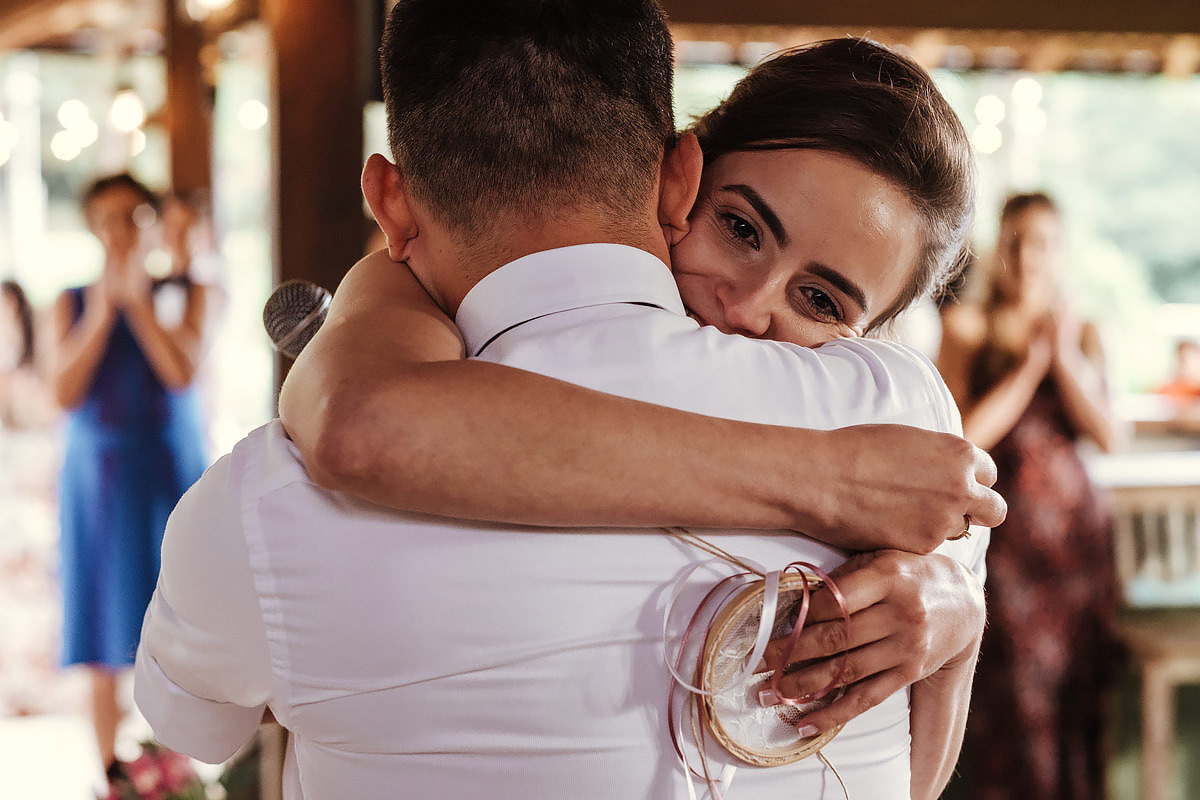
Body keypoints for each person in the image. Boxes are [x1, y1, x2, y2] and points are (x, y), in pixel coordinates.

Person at [136, 6, 993, 799]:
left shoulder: (269, 499)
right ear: (683, 177)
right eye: (740, 228)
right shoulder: (903, 428)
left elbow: (193, 723)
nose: (746, 310)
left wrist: (957, 624)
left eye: (823, 303)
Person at [937, 191, 1121, 800]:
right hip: (1004, 545)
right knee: (1016, 696)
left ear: (1060, 252)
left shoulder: (1084, 328)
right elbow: (961, 438)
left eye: (1042, 242)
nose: (1029, 255)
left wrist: (1063, 356)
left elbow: (1109, 435)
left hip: (1077, 544)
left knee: (1077, 698)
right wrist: (1030, 367)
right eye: (1016, 240)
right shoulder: (968, 327)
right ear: (1001, 247)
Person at [50, 173, 211, 790]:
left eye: (132, 217)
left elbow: (181, 372)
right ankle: (111, 774)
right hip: (98, 478)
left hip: (166, 471)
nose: (119, 230)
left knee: (176, 619)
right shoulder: (70, 298)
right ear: (92, 226)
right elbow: (63, 391)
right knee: (99, 625)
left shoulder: (188, 290)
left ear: (150, 221)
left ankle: (176, 770)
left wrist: (137, 303)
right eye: (107, 218)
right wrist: (104, 310)